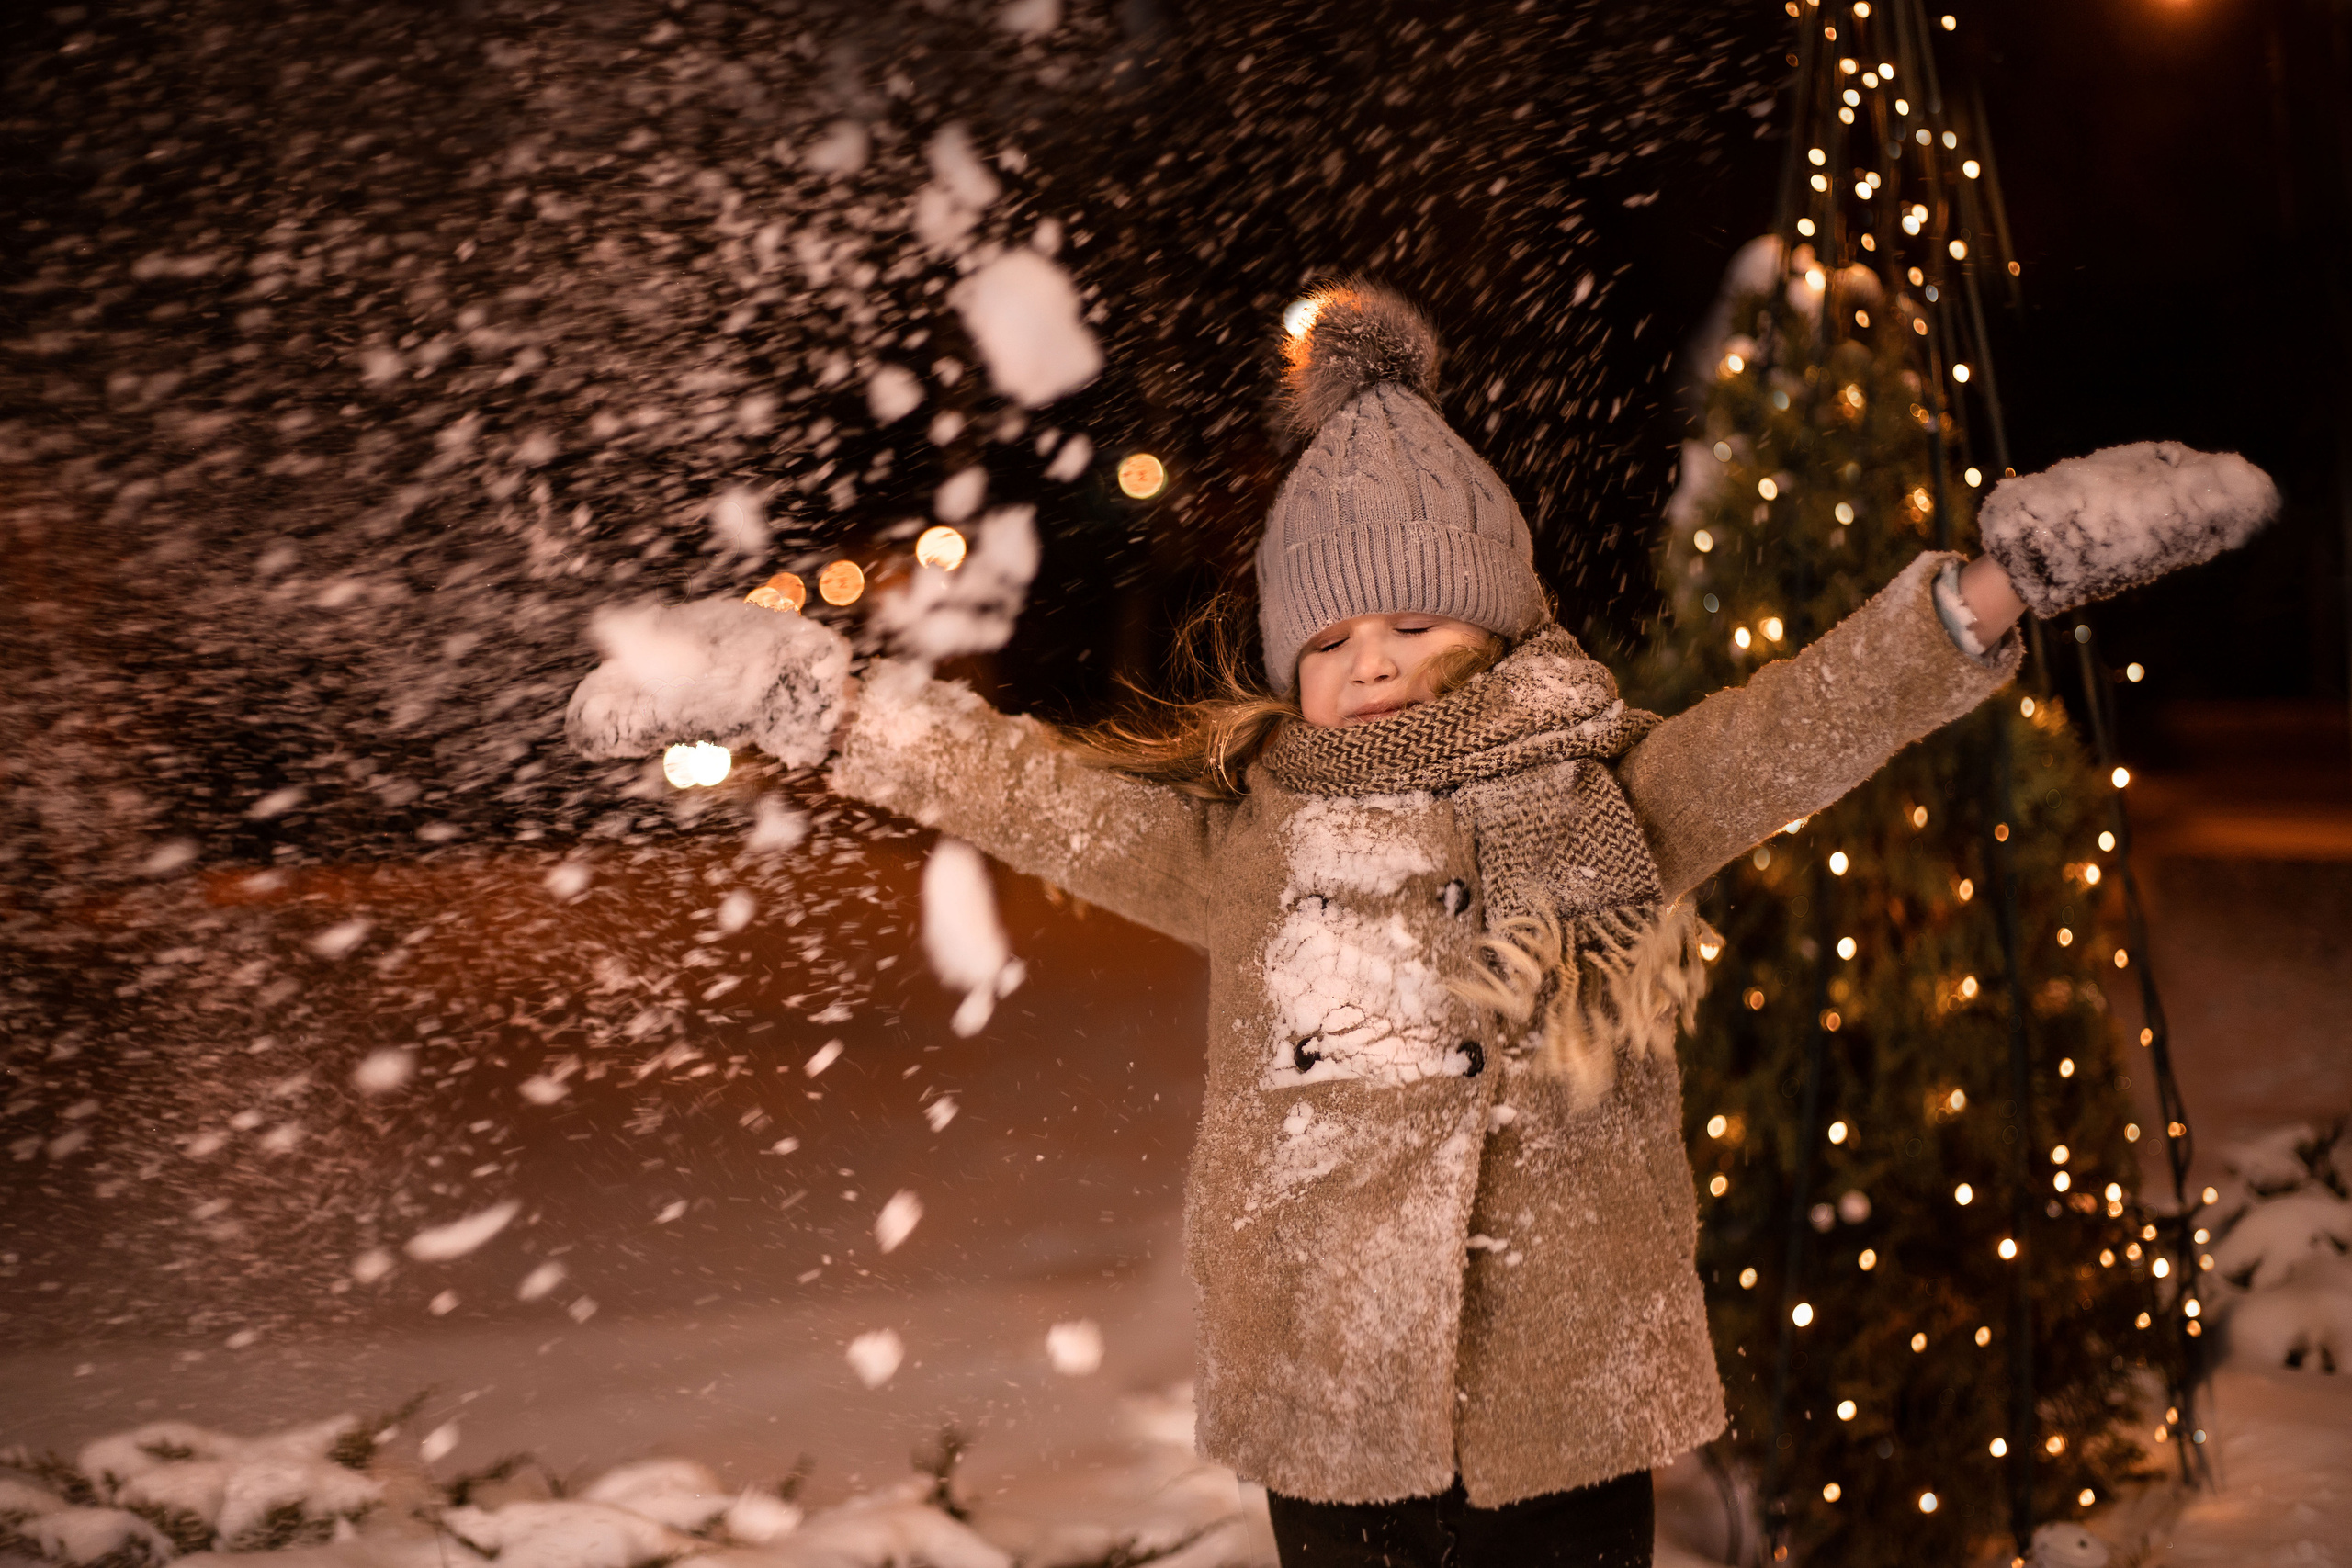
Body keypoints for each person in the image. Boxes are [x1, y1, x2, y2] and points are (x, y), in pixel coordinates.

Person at [571, 281, 2276, 1567]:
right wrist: (807, 696)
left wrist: (1999, 588)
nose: (1366, 659)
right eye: (1329, 637)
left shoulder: (1621, 795)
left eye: (1411, 618)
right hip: (1336, 1400)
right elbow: (1025, 790)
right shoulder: (1253, 839)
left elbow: (1802, 718)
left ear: (1500, 624)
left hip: (1569, 1392)